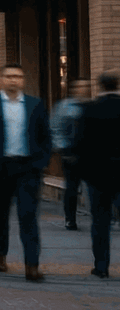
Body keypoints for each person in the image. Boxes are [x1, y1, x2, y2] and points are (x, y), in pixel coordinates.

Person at [0, 63, 54, 282]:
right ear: (0, 80)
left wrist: (42, 161)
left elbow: (46, 136)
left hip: (28, 169)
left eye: (18, 76)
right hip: (0, 168)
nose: (14, 80)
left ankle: (32, 264)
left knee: (28, 216)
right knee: (0, 214)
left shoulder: (35, 104)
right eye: (9, 76)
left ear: (23, 80)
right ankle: (0, 256)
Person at [76, 72, 120, 279]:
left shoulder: (89, 109)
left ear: (100, 87)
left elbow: (81, 143)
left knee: (100, 222)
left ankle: (101, 266)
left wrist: (85, 173)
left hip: (97, 176)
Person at [52, 79, 91, 231]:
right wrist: (63, 148)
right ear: (73, 89)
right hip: (71, 154)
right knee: (72, 188)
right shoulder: (64, 106)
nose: (83, 89)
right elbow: (55, 127)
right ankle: (70, 218)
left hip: (90, 155)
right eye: (79, 86)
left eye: (85, 86)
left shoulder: (91, 106)